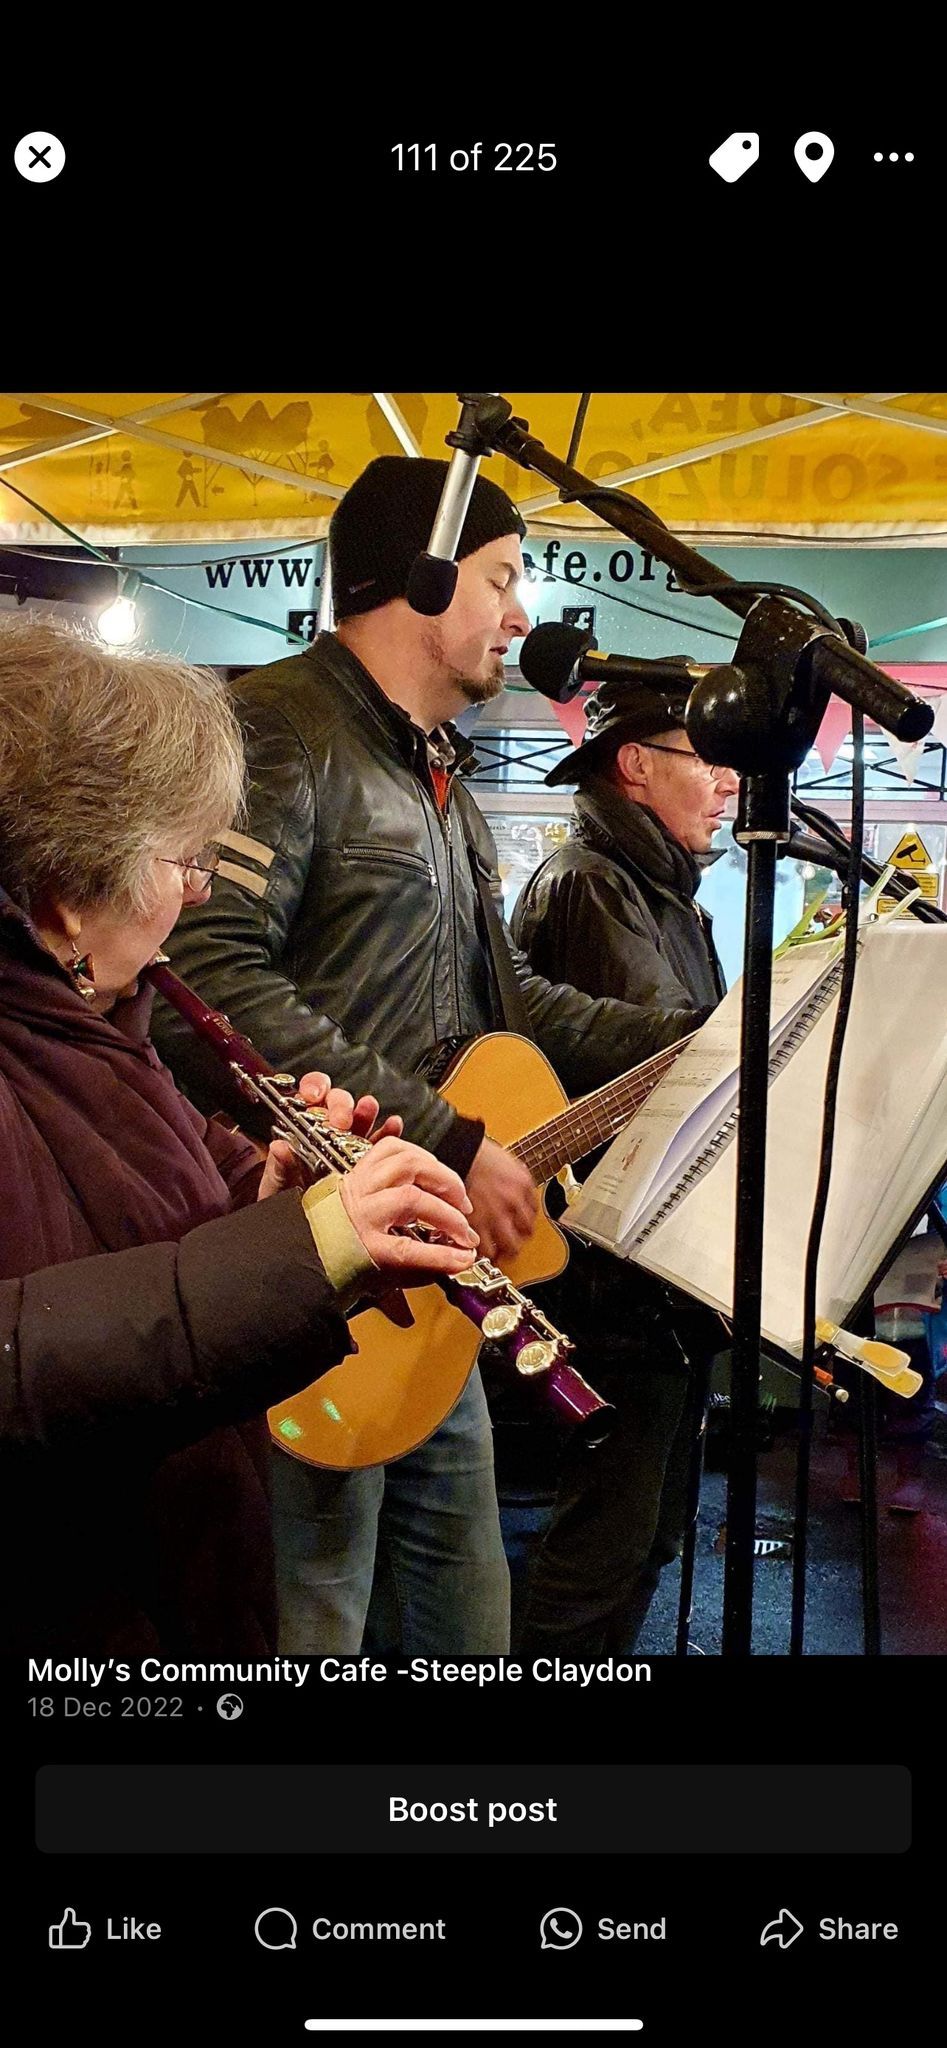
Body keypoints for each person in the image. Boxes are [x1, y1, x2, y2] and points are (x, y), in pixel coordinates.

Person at [152, 455, 698, 1657]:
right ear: (424, 573)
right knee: (314, 1616)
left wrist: (699, 1039)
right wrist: (446, 1136)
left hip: (433, 1281)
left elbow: (513, 1001)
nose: (521, 614)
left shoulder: (438, 780)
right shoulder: (279, 731)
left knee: (465, 1628)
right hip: (312, 1267)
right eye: (503, 578)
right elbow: (204, 978)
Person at [0, 618, 480, 1657]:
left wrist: (267, 1195)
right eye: (182, 859)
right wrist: (299, 1251)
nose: (200, 890)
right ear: (65, 897)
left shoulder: (101, 1028)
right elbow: (26, 1353)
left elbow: (138, 1250)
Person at [510, 673, 739, 1655]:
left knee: (642, 1538)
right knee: (605, 1546)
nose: (730, 783)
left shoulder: (651, 889)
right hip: (615, 1282)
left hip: (646, 1279)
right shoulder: (593, 883)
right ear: (634, 764)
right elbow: (659, 1060)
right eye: (708, 758)